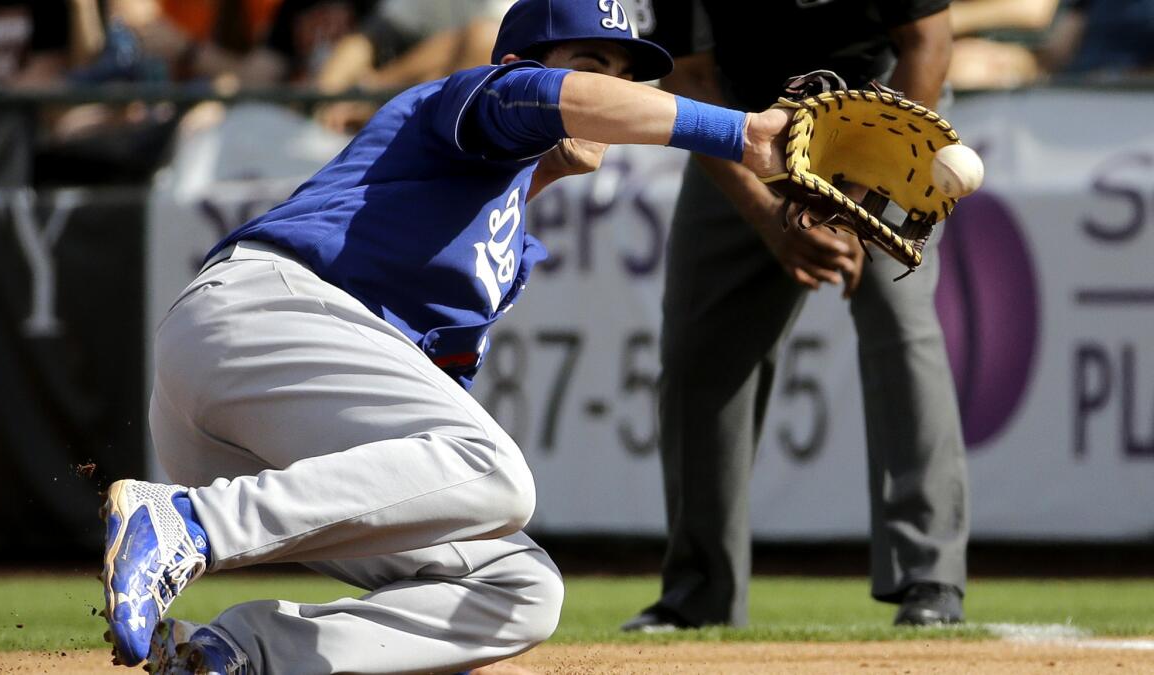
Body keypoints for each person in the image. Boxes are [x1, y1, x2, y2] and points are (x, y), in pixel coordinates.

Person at [98, 1, 802, 673]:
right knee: (496, 470)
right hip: (260, 319)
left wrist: (428, 646)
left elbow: (414, 453)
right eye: (592, 64)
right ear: (526, 64)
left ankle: (243, 652)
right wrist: (742, 132)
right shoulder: (476, 101)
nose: (612, 90)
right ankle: (186, 522)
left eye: (625, 75)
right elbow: (549, 97)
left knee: (520, 585)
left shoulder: (502, 235)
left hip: (259, 416)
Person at [621, 0, 970, 632]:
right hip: (746, 130)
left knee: (902, 327)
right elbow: (690, 79)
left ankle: (930, 575)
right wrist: (768, 218)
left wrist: (862, 197)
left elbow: (927, 42)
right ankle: (700, 593)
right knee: (701, 357)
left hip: (883, 121)